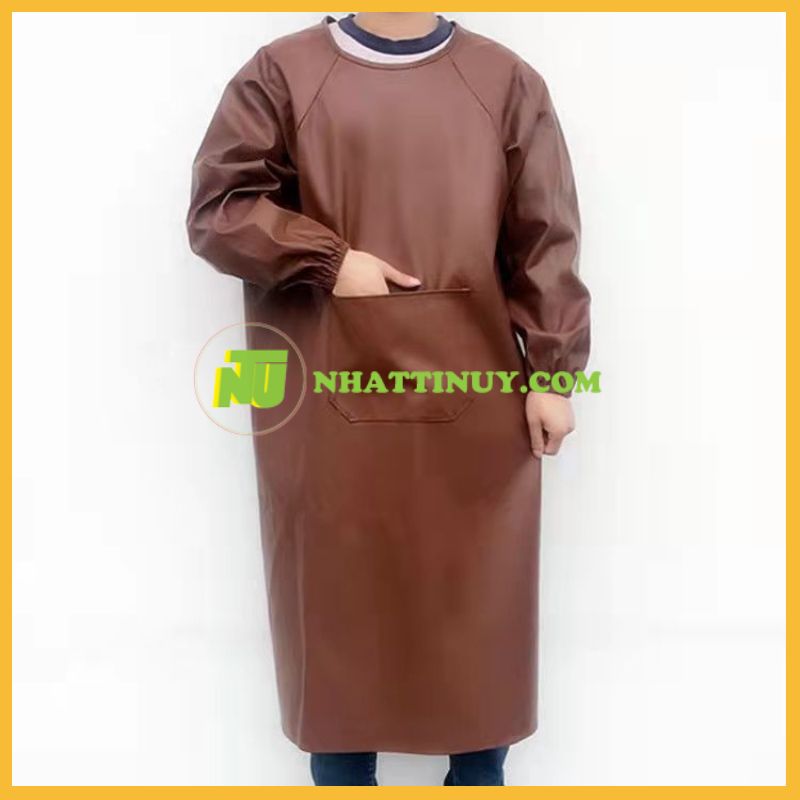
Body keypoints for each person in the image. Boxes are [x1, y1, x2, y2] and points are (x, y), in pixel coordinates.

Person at [187, 11, 590, 786]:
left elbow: (543, 236)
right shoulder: (283, 74)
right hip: (325, 405)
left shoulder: (504, 82)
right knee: (340, 621)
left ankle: (477, 776)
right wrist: (330, 261)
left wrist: (553, 369)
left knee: (479, 614)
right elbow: (219, 210)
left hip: (476, 403)